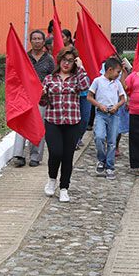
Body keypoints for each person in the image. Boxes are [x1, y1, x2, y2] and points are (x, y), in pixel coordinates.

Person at [41, 46, 89, 202]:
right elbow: (42, 102)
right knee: (55, 152)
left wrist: (81, 68)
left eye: (70, 61)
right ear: (59, 60)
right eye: (64, 60)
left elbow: (85, 87)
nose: (66, 64)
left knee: (67, 156)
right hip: (53, 120)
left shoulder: (77, 77)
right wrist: (42, 94)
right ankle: (52, 179)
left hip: (72, 121)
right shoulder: (49, 79)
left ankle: (64, 187)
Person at [12, 29, 55, 168]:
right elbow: (17, 74)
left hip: (41, 98)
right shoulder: (24, 57)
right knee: (22, 123)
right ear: (30, 41)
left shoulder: (49, 59)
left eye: (39, 39)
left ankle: (35, 156)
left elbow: (53, 78)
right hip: (24, 96)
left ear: (43, 41)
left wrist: (46, 89)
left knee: (38, 125)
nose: (37, 41)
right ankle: (19, 155)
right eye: (34, 39)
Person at [87, 57, 126, 180]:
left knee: (112, 141)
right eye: (117, 72)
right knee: (99, 137)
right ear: (110, 69)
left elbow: (123, 98)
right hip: (101, 113)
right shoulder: (98, 81)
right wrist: (99, 105)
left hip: (114, 114)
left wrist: (117, 106)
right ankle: (101, 159)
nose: (118, 75)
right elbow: (90, 96)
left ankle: (110, 166)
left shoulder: (117, 84)